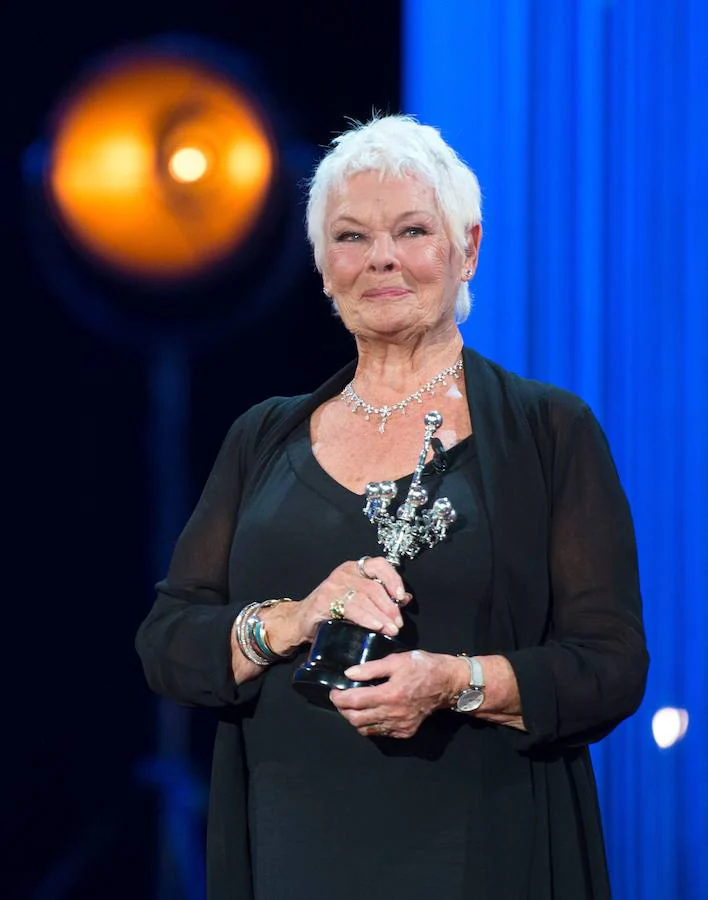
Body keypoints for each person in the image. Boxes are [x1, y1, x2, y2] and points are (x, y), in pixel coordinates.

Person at [135, 114, 649, 900]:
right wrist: (294, 619)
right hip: (291, 853)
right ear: (321, 264)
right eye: (350, 236)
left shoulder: (551, 431)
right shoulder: (262, 436)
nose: (381, 257)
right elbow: (168, 642)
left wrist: (455, 681)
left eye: (412, 230)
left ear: (467, 248)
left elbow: (610, 667)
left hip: (484, 855)